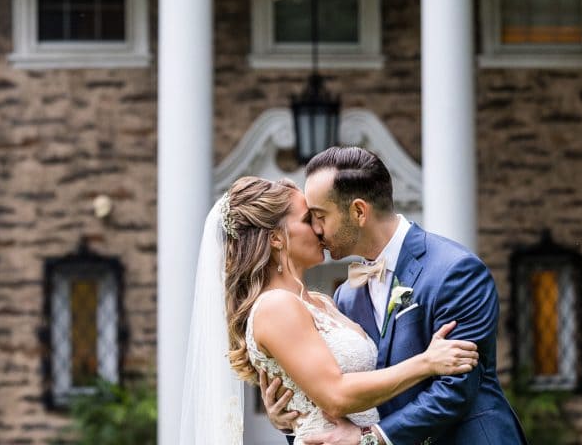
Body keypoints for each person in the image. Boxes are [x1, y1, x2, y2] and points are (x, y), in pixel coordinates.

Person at [180, 175, 479, 445]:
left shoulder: (324, 302)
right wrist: (427, 363)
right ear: (275, 237)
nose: (320, 229)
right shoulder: (275, 306)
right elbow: (335, 395)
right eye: (308, 219)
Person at [263, 147, 527, 445]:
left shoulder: (455, 270)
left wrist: (373, 438)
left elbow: (456, 388)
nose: (315, 229)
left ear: (359, 212)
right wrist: (293, 417)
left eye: (320, 215)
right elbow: (349, 391)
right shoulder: (346, 297)